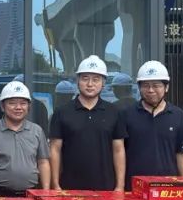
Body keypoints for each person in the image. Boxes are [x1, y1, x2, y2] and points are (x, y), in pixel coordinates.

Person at [48, 55, 126, 192]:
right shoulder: (62, 112)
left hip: (106, 188)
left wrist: (120, 186)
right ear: (78, 81)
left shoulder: (114, 112)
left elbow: (118, 150)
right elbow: (55, 150)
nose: (90, 84)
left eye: (96, 79)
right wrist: (55, 185)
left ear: (103, 83)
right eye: (85, 78)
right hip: (69, 188)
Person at [121, 60, 183, 188]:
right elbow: (119, 151)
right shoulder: (127, 114)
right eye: (145, 85)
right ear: (139, 87)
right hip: (134, 187)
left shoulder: (177, 115)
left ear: (166, 87)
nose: (151, 90)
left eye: (156, 85)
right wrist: (120, 186)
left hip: (168, 188)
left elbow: (182, 152)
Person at [0, 80, 50, 197]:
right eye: (12, 103)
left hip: (31, 194)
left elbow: (43, 162)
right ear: (2, 106)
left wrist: (46, 192)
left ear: (29, 106)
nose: (18, 107)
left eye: (23, 103)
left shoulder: (37, 131)